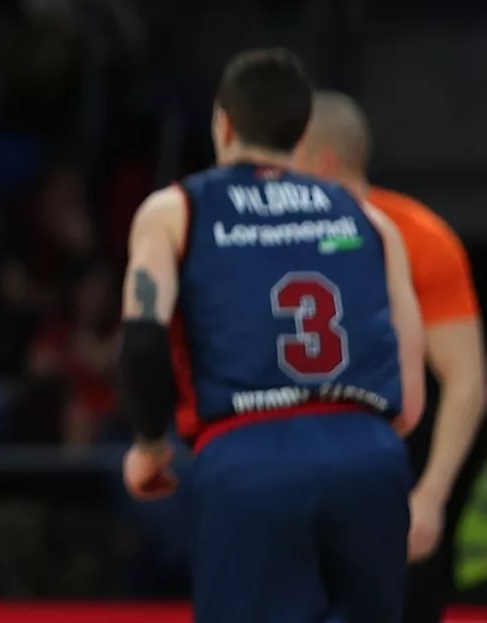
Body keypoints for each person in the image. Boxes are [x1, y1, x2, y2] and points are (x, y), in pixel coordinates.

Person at [116, 48, 426, 623]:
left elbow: (141, 342)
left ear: (224, 124)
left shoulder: (175, 210)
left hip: (248, 456)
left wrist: (150, 445)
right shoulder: (372, 220)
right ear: (301, 131)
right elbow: (410, 401)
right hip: (368, 456)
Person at [294, 90, 487, 623]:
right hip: (297, 474)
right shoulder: (270, 236)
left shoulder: (419, 237)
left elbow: (466, 379)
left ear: (322, 161)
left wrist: (430, 495)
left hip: (390, 471)